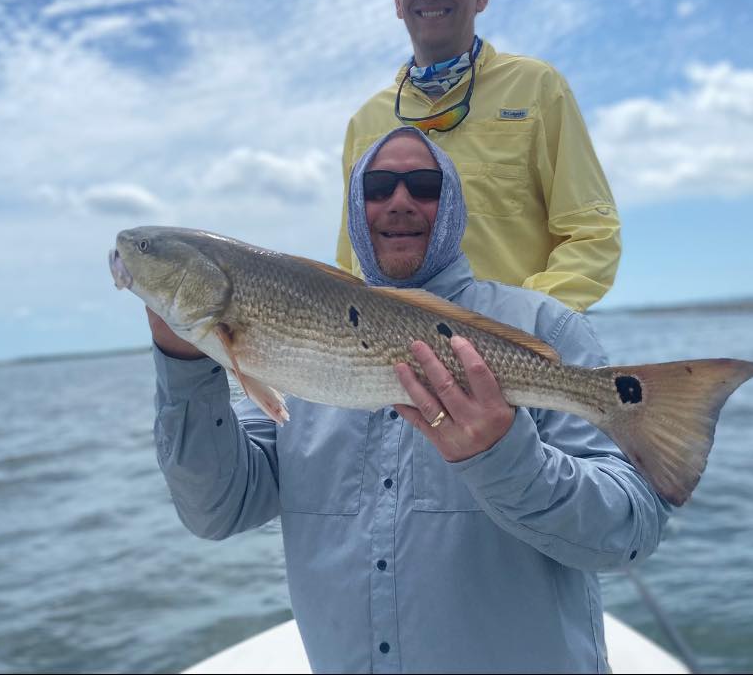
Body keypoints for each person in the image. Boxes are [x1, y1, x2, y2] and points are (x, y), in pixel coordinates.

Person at [147, 127, 668, 674]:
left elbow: (630, 531)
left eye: (424, 185)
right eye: (377, 187)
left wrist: (507, 459)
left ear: (455, 205)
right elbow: (217, 511)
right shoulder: (286, 357)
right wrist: (183, 365)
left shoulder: (545, 328)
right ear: (355, 207)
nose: (399, 201)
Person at [335, 0, 621, 312]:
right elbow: (351, 261)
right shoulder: (366, 121)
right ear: (398, 1)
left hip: (510, 345)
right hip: (389, 346)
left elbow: (592, 233)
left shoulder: (537, 87)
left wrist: (522, 323)